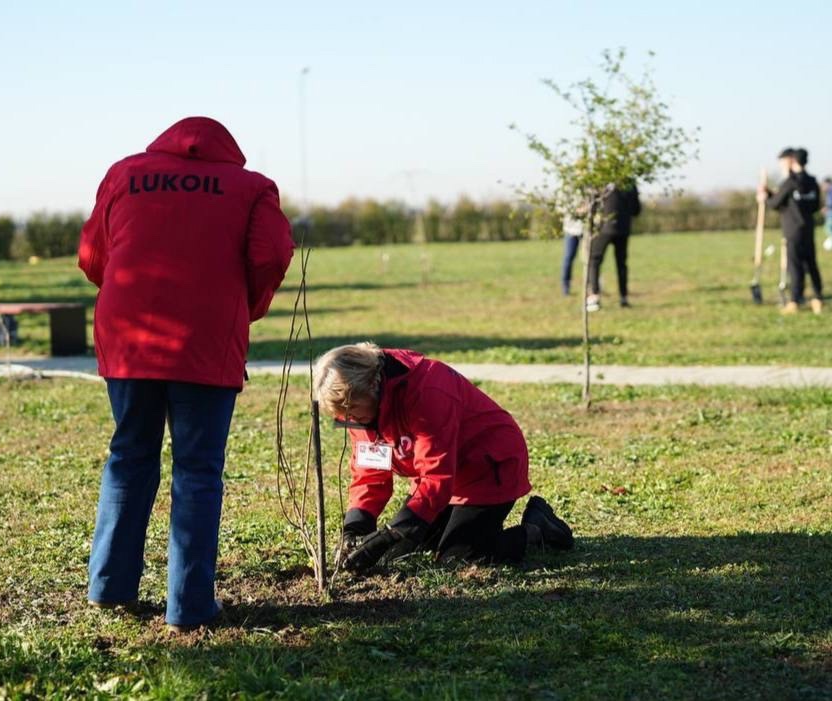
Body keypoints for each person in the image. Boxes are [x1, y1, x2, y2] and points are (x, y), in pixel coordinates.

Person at [78, 116, 294, 633]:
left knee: (129, 456)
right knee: (197, 470)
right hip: (206, 341)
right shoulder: (251, 188)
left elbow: (92, 255)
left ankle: (109, 589)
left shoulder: (125, 174)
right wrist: (245, 304)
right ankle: (190, 607)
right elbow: (272, 254)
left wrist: (125, 291)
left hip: (130, 336)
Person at [313, 343, 574, 573]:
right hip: (442, 479)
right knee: (397, 552)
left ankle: (537, 529)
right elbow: (370, 472)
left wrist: (394, 530)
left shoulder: (428, 389)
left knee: (458, 558)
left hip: (487, 467)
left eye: (353, 412)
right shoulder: (361, 407)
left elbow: (437, 475)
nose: (350, 421)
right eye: (341, 416)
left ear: (373, 385)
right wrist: (356, 528)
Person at [758, 148, 823, 314]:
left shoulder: (790, 182)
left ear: (793, 161)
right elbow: (814, 205)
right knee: (811, 264)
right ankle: (818, 297)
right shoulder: (812, 182)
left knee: (795, 266)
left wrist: (765, 197)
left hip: (792, 230)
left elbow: (775, 203)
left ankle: (795, 300)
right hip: (808, 228)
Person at [586, 181, 641, 311]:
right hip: (623, 229)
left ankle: (594, 297)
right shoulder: (630, 183)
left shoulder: (601, 178)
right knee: (621, 264)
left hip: (603, 229)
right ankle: (623, 298)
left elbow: (592, 205)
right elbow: (636, 210)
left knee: (594, 260)